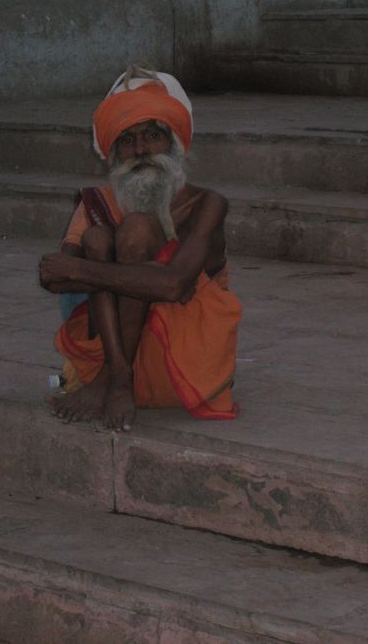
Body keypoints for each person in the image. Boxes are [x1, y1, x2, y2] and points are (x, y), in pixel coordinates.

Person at [39, 67, 242, 432]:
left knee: (131, 230)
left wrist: (82, 270)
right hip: (110, 354)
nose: (141, 151)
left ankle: (115, 378)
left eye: (152, 136)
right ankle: (118, 373)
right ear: (113, 152)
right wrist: (82, 263)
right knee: (98, 239)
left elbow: (173, 285)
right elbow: (55, 278)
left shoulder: (207, 204)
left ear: (175, 144)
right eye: (127, 141)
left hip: (184, 365)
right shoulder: (97, 202)